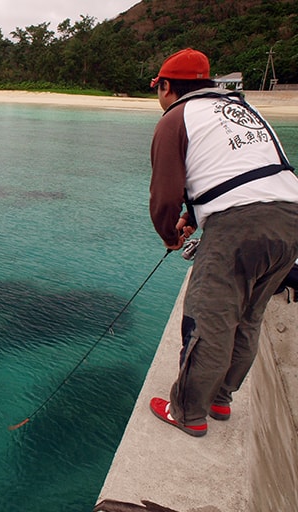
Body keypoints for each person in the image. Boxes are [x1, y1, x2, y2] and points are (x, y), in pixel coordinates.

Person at [147, 48, 298, 437]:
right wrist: (194, 218)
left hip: (241, 227)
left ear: (166, 86)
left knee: (209, 319)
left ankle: (188, 413)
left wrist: (169, 235)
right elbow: (243, 172)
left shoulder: (174, 118)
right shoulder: (242, 109)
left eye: (158, 88)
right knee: (249, 316)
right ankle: (220, 398)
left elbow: (164, 196)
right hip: (290, 218)